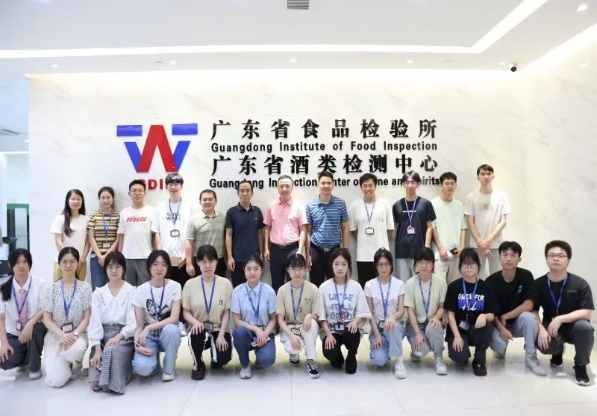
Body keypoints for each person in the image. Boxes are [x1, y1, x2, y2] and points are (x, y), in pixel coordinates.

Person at [534, 240, 594, 386]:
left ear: (568, 260)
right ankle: (557, 351)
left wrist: (560, 318)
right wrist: (541, 329)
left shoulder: (580, 283)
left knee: (585, 328)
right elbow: (533, 310)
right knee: (543, 345)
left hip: (574, 326)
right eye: (552, 255)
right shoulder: (538, 284)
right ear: (546, 259)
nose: (556, 258)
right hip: (550, 325)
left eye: (561, 256)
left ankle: (580, 365)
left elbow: (587, 313)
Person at [486, 241, 545, 376]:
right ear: (499, 257)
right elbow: (491, 311)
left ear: (519, 259)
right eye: (505, 255)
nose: (508, 259)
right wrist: (501, 328)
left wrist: (505, 316)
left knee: (529, 317)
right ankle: (500, 349)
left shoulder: (526, 276)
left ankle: (531, 356)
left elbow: (529, 305)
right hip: (498, 324)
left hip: (517, 322)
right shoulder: (491, 281)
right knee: (499, 347)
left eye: (513, 255)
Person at [39, 247, 92, 387]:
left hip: (77, 335)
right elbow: (46, 319)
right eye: (64, 262)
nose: (68, 265)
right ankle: (64, 363)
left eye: (72, 261)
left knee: (77, 349)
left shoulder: (85, 288)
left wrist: (74, 334)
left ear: (78, 263)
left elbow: (87, 318)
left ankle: (76, 362)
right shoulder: (50, 289)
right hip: (56, 335)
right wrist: (62, 335)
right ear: (59, 264)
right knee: (56, 381)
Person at [87, 251, 136, 394]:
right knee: (94, 383)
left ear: (123, 269)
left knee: (111, 350)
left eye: (117, 266)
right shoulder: (98, 293)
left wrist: (119, 336)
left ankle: (118, 379)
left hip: (124, 338)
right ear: (105, 269)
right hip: (102, 337)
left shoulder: (131, 291)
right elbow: (95, 322)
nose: (114, 270)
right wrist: (97, 348)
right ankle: (104, 376)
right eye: (110, 267)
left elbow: (132, 322)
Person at [182, 245, 233, 380]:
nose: (208, 265)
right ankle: (198, 364)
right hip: (199, 328)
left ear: (217, 262)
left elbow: (227, 311)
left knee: (223, 359)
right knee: (196, 333)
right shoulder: (190, 284)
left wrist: (221, 334)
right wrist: (195, 322)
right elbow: (186, 312)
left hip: (218, 328)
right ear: (197, 262)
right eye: (203, 261)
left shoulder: (225, 283)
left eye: (211, 261)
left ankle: (215, 354)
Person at [444, 248, 497, 376]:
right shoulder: (454, 287)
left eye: (472, 263)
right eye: (465, 263)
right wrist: (456, 336)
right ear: (460, 267)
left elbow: (492, 314)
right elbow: (450, 314)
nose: (469, 266)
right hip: (458, 329)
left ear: (478, 266)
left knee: (486, 326)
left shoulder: (485, 287)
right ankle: (463, 354)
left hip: (476, 329)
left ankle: (479, 360)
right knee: (459, 358)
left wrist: (484, 316)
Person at [154, 173, 196, 333]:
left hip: (183, 258)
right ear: (166, 186)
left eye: (176, 183)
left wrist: (187, 255)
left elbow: (192, 234)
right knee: (167, 292)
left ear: (181, 186)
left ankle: (183, 322)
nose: (173, 186)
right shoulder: (160, 207)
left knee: (183, 292)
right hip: (166, 259)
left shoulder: (189, 207)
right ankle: (169, 322)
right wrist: (160, 255)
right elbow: (157, 233)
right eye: (170, 184)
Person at [131, 250, 182, 381]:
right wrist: (137, 344)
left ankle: (169, 369)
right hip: (149, 337)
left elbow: (174, 318)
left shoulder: (175, 286)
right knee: (143, 368)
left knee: (172, 330)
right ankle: (154, 364)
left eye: (164, 265)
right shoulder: (140, 290)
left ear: (168, 267)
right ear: (149, 267)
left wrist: (149, 327)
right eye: (155, 264)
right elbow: (139, 325)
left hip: (167, 333)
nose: (159, 268)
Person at [318, 248, 370, 374]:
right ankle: (338, 359)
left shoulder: (356, 287)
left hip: (349, 329)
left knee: (352, 332)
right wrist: (328, 334)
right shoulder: (324, 287)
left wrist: (355, 321)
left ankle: (351, 355)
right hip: (332, 330)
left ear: (348, 266)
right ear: (331, 265)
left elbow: (363, 312)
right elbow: (321, 316)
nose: (340, 268)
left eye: (343, 264)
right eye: (336, 264)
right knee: (330, 352)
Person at [0, 249, 47, 380]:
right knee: (4, 360)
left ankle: (34, 366)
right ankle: (24, 359)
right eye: (17, 262)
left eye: (25, 262)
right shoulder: (4, 289)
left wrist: (31, 323)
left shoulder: (40, 284)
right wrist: (4, 344)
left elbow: (46, 309)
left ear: (29, 264)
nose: (21, 265)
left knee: (37, 328)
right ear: (10, 265)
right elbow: (1, 319)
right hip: (14, 334)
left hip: (35, 331)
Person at [231, 253, 277, 379]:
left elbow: (273, 319)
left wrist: (264, 334)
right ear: (244, 270)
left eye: (256, 269)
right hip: (247, 333)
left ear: (261, 271)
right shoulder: (237, 292)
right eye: (249, 269)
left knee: (267, 360)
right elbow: (237, 321)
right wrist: (256, 330)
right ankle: (245, 365)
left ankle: (260, 356)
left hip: (265, 332)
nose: (252, 273)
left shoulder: (269, 291)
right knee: (239, 333)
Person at [404, 247, 448, 376]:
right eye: (420, 262)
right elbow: (410, 311)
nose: (424, 265)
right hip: (416, 325)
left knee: (434, 327)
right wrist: (418, 333)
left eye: (427, 262)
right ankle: (417, 350)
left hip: (432, 320)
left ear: (433, 264)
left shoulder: (441, 283)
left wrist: (437, 317)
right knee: (421, 351)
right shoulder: (410, 283)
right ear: (416, 264)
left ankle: (439, 358)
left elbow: (442, 306)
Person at [276, 253, 321, 379]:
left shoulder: (313, 289)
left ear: (305, 269)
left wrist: (309, 316)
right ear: (288, 269)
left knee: (312, 324)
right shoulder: (282, 290)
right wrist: (291, 336)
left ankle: (310, 360)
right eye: (293, 268)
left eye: (300, 268)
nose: (297, 272)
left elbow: (317, 315)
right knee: (294, 348)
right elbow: (280, 319)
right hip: (289, 328)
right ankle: (294, 355)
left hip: (304, 326)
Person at [365, 248, 406, 379]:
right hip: (378, 328)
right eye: (380, 264)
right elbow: (370, 313)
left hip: (395, 326)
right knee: (379, 360)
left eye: (387, 264)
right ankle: (387, 348)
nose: (384, 268)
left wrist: (392, 317)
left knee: (392, 326)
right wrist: (377, 335)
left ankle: (399, 361)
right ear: (376, 266)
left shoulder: (399, 284)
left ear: (391, 265)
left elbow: (401, 310)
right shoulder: (369, 285)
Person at [465, 164, 511, 279]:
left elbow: (503, 221)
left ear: (493, 176)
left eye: (489, 174)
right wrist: (481, 243)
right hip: (477, 245)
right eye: (483, 174)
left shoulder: (501, 196)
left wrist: (488, 240)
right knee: (476, 276)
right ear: (478, 177)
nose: (486, 176)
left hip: (495, 245)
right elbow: (470, 222)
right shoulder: (471, 197)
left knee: (497, 277)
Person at [264, 175, 308, 293]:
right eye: (281, 186)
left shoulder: (299, 207)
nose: (284, 189)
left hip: (293, 250)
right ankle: (278, 306)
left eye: (287, 186)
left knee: (294, 283)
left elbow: (303, 230)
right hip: (275, 250)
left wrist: (300, 250)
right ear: (277, 187)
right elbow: (267, 228)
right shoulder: (271, 206)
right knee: (276, 284)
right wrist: (266, 249)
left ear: (292, 187)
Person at [349, 173, 394, 288]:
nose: (368, 189)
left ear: (375, 186)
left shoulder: (384, 204)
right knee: (365, 287)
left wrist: (380, 242)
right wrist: (364, 240)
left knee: (383, 286)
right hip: (363, 256)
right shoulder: (355, 206)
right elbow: (353, 230)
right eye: (365, 186)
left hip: (382, 255)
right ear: (361, 187)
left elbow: (389, 229)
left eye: (370, 185)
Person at [306, 171, 349, 287]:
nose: (326, 186)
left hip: (335, 251)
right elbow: (308, 231)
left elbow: (345, 228)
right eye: (323, 183)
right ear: (318, 184)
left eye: (329, 183)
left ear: (333, 185)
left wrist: (345, 251)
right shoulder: (311, 205)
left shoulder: (341, 204)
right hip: (316, 250)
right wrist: (308, 254)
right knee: (316, 285)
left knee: (336, 284)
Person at [393, 171, 436, 282]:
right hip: (402, 250)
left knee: (419, 282)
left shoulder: (425, 204)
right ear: (403, 184)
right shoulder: (397, 205)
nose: (410, 185)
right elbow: (396, 227)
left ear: (418, 184)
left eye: (413, 182)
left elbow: (429, 227)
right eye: (407, 183)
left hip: (420, 250)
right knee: (403, 282)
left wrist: (427, 247)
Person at [117, 180, 157, 286]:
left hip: (146, 257)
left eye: (140, 190)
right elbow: (121, 236)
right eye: (134, 191)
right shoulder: (124, 212)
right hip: (127, 257)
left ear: (145, 193)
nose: (137, 193)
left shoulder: (152, 211)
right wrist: (119, 256)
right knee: (128, 289)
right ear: (129, 193)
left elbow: (155, 236)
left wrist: (156, 255)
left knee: (145, 288)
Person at [226, 180, 265, 288]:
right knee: (239, 289)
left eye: (248, 191)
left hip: (254, 258)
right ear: (237, 193)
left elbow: (260, 234)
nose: (244, 193)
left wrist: (261, 254)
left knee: (255, 288)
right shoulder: (232, 212)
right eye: (242, 191)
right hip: (237, 259)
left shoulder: (257, 211)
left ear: (252, 193)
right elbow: (228, 235)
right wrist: (229, 257)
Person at [430, 172, 466, 284]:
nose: (450, 186)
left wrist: (462, 246)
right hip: (440, 253)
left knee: (455, 286)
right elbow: (432, 227)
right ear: (441, 185)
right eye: (447, 183)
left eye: (452, 183)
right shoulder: (433, 204)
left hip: (456, 253)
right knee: (439, 286)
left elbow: (463, 227)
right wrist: (440, 247)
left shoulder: (459, 205)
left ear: (456, 185)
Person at [50, 189, 90, 281]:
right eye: (73, 199)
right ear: (67, 201)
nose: (76, 201)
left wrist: (82, 260)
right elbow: (58, 241)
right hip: (63, 262)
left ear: (82, 201)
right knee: (60, 288)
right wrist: (69, 260)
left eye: (79, 199)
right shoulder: (60, 219)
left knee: (79, 289)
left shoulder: (86, 219)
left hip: (80, 263)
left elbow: (88, 242)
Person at [186, 189, 226, 279]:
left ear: (216, 201)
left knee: (218, 285)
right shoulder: (194, 220)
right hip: (201, 261)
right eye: (204, 200)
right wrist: (189, 263)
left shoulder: (223, 218)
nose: (207, 202)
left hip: (219, 260)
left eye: (210, 199)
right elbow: (189, 242)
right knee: (201, 286)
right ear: (200, 202)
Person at [87, 186, 120, 290]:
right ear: (99, 199)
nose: (106, 200)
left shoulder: (118, 216)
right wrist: (100, 257)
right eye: (103, 198)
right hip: (97, 258)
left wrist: (107, 256)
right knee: (98, 289)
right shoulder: (93, 216)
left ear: (113, 198)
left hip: (113, 258)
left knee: (114, 288)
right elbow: (91, 238)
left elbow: (118, 239)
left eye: (108, 197)